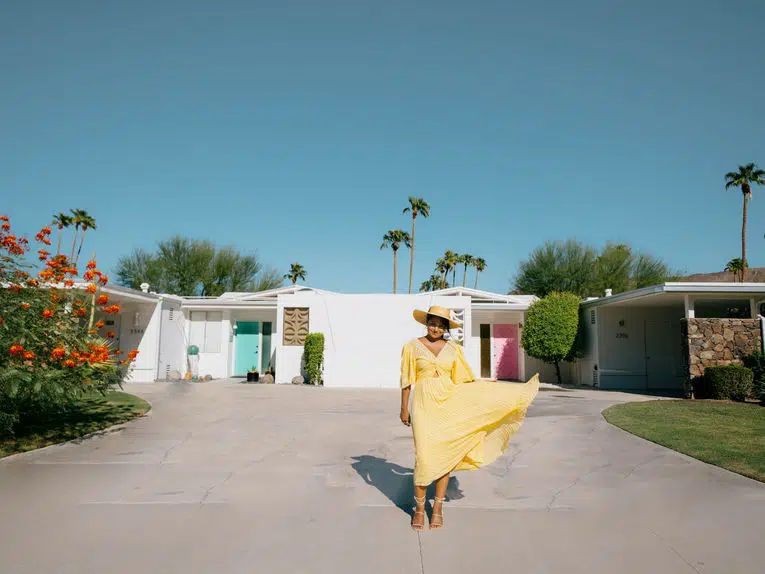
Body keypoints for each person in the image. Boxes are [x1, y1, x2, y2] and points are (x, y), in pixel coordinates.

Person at [399, 305, 540, 531]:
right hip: (423, 403)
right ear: (427, 323)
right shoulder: (412, 347)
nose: (435, 328)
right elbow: (406, 380)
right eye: (432, 323)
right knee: (424, 456)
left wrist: (485, 389)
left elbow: (464, 380)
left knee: (445, 455)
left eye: (440, 324)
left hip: (449, 403)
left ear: (446, 328)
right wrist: (403, 408)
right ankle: (418, 508)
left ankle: (437, 508)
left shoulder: (453, 349)